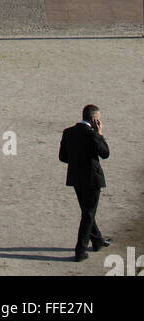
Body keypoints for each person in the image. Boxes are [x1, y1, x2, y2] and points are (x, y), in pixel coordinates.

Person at [59, 104, 111, 261]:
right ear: (95, 119)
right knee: (88, 214)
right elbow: (105, 153)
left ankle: (97, 240)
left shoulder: (68, 132)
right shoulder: (92, 134)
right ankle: (80, 250)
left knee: (87, 211)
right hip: (92, 179)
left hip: (75, 178)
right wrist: (99, 134)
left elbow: (63, 157)